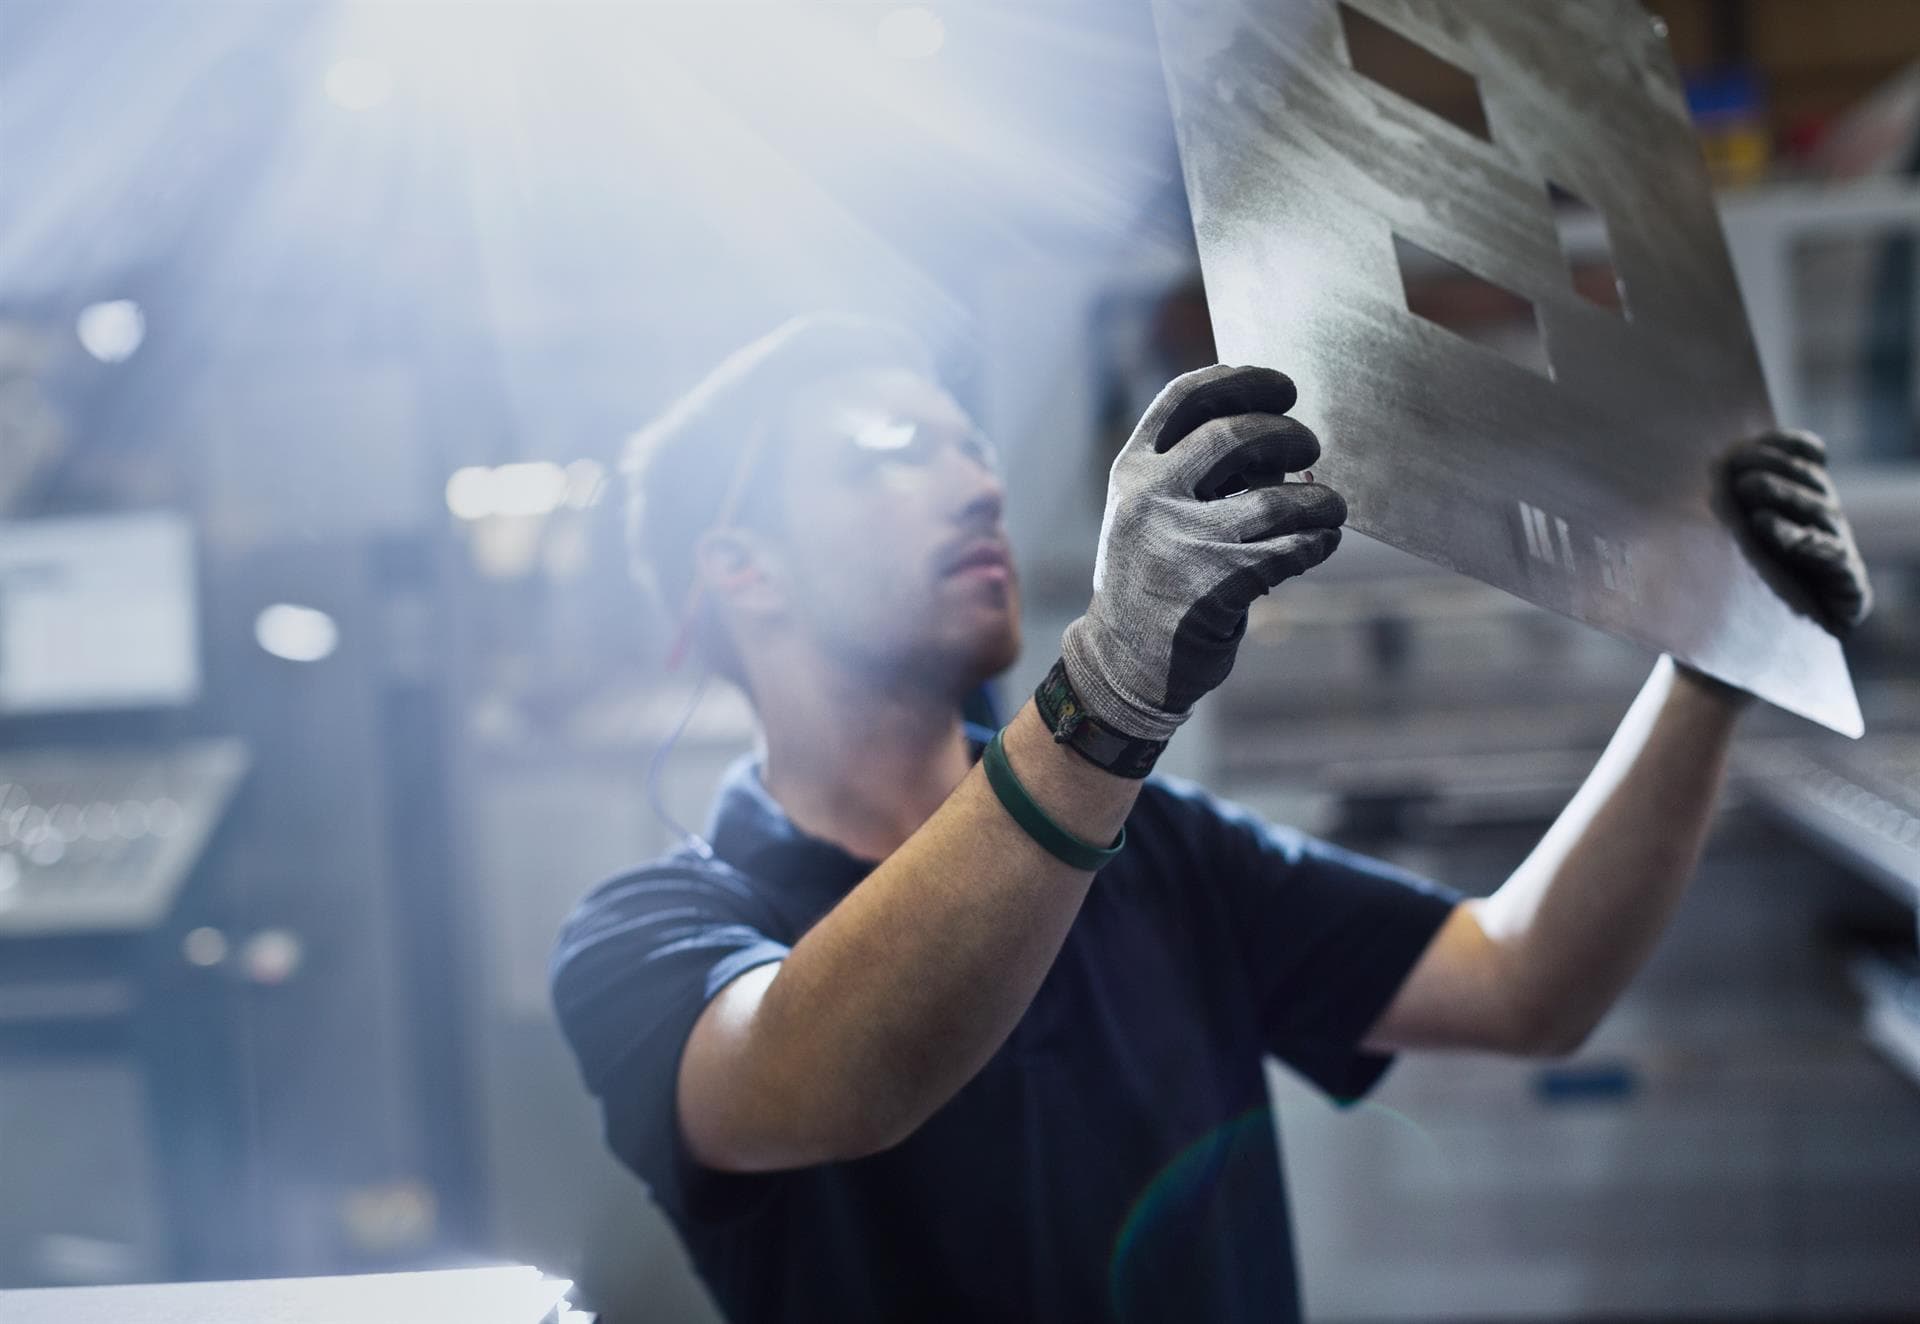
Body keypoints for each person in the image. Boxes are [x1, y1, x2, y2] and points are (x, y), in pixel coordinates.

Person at [549, 314, 1871, 1324]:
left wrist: (1710, 662)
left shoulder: (1160, 851)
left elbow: (1523, 983)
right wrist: (1111, 688)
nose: (977, 486)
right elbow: (818, 1078)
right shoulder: (650, 938)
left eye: (971, 444)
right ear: (742, 573)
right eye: (890, 457)